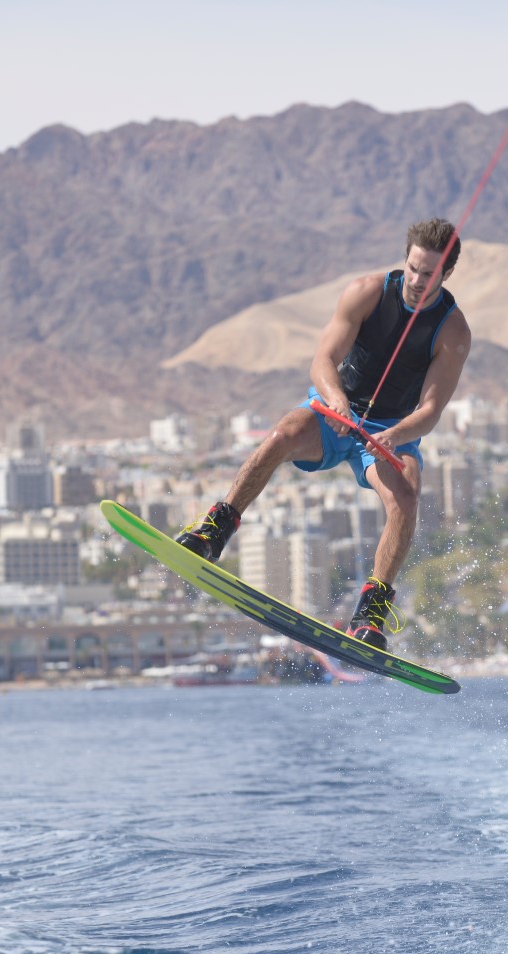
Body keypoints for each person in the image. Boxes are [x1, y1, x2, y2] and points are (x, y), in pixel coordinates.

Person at [175, 218, 473, 651]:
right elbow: (323, 359)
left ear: (447, 273)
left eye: (428, 274)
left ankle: (370, 613)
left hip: (390, 430)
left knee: (406, 495)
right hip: (337, 409)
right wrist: (336, 401)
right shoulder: (367, 292)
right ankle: (214, 530)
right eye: (412, 268)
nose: (416, 281)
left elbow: (430, 410)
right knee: (281, 435)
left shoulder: (452, 331)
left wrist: (394, 435)